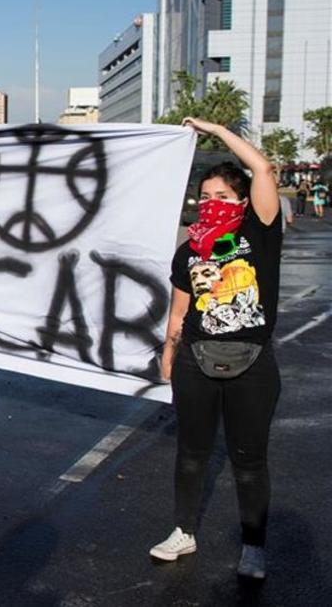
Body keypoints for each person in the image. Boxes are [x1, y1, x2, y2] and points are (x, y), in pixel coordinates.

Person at [155, 117, 282, 580]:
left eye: (222, 197)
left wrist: (215, 130)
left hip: (252, 363)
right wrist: (168, 356)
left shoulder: (261, 231)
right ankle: (182, 531)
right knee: (191, 455)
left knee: (248, 462)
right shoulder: (190, 249)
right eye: (204, 197)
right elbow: (178, 311)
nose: (211, 204)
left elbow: (264, 170)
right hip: (195, 360)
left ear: (242, 201)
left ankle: (253, 547)